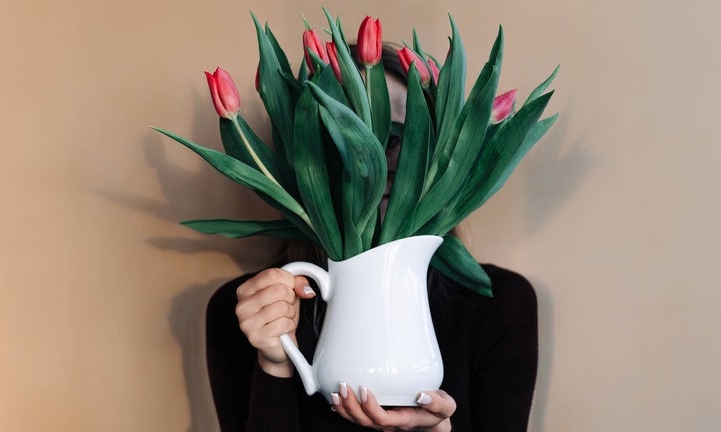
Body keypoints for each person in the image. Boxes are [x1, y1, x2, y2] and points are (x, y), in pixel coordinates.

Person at [205, 45, 539, 432]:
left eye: (399, 138)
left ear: (440, 151)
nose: (372, 163)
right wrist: (275, 366)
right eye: (346, 135)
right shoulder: (250, 311)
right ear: (306, 152)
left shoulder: (499, 304)